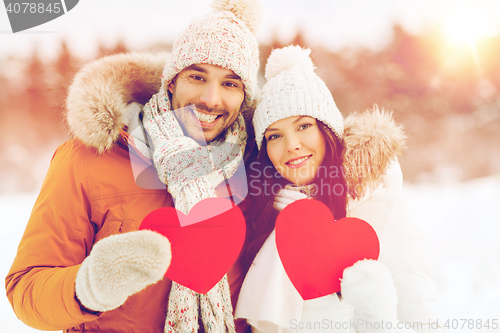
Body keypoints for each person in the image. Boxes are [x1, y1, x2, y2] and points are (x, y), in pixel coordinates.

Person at [5, 0, 262, 332]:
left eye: (230, 83)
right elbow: (26, 290)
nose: (212, 98)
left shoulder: (256, 164)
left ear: (245, 96)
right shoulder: (87, 160)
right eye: (198, 77)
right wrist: (88, 288)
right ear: (171, 82)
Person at [234, 46, 441, 333]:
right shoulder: (264, 216)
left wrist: (376, 321)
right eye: (275, 136)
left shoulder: (383, 211)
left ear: (328, 130)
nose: (291, 144)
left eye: (304, 125)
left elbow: (425, 324)